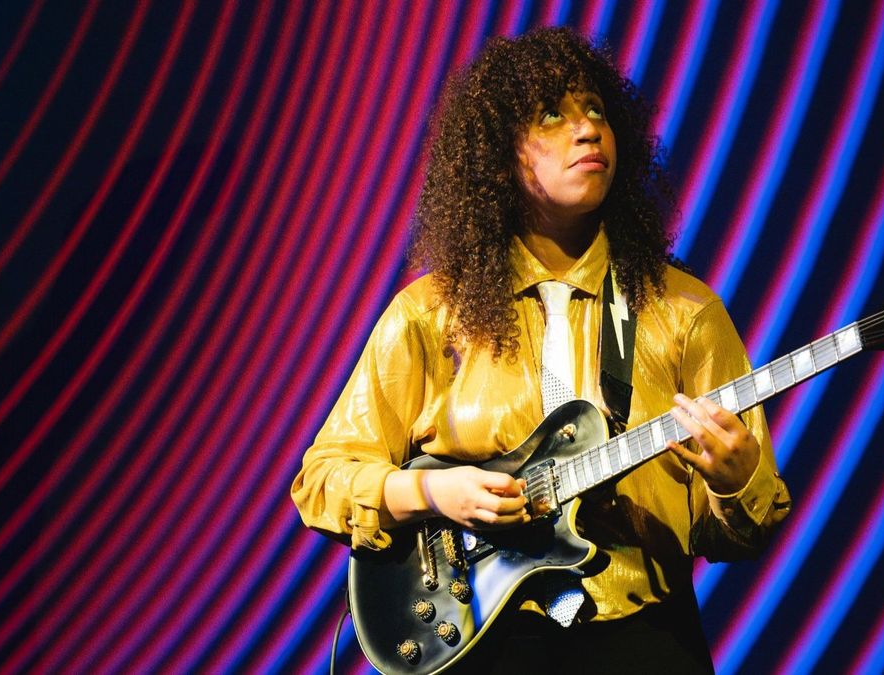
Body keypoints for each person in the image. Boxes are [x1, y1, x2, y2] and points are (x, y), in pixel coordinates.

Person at [291, 27, 791, 674]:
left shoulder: (685, 312)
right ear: (499, 158)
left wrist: (736, 481)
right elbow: (323, 478)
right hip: (481, 646)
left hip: (644, 642)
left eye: (596, 111)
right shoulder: (428, 313)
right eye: (552, 114)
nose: (587, 130)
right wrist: (431, 492)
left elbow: (739, 536)